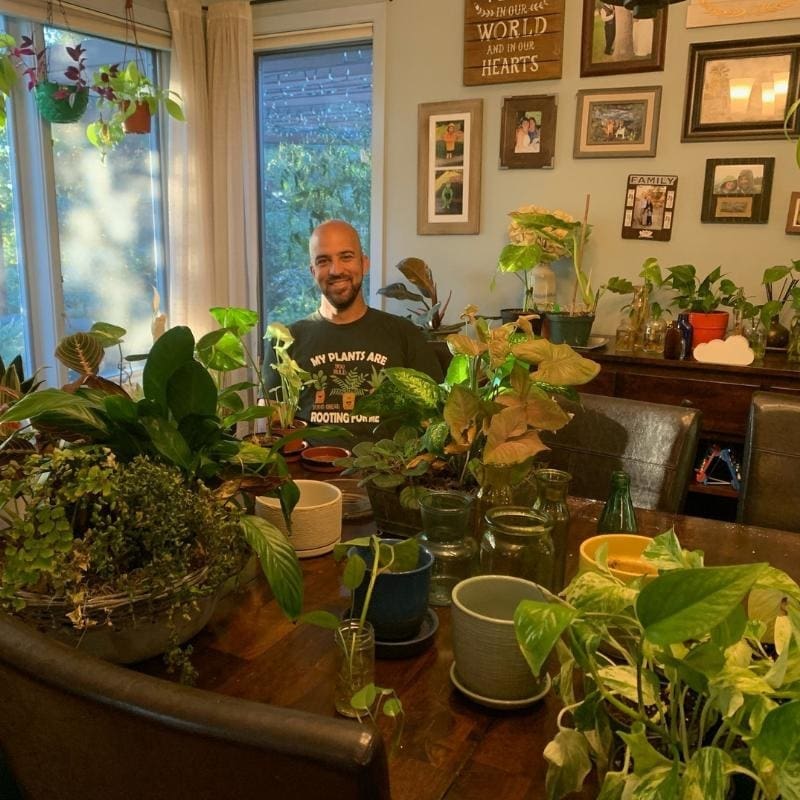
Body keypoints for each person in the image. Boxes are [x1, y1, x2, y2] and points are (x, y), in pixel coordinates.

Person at [264, 220, 444, 441]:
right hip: (309, 472)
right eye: (323, 261)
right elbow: (274, 428)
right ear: (313, 271)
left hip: (389, 469)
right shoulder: (284, 342)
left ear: (364, 263)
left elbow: (435, 416)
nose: (336, 270)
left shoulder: (404, 334)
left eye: (346, 257)